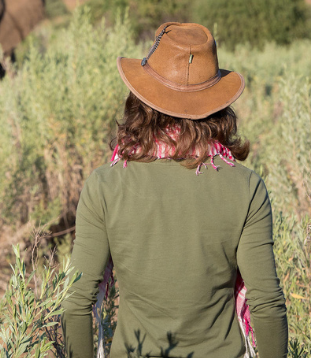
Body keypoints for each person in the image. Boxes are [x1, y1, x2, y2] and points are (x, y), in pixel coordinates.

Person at [62, 23, 288, 358]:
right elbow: (267, 303)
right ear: (215, 104)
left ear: (140, 99)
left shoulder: (106, 185)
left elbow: (77, 302)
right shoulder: (246, 187)